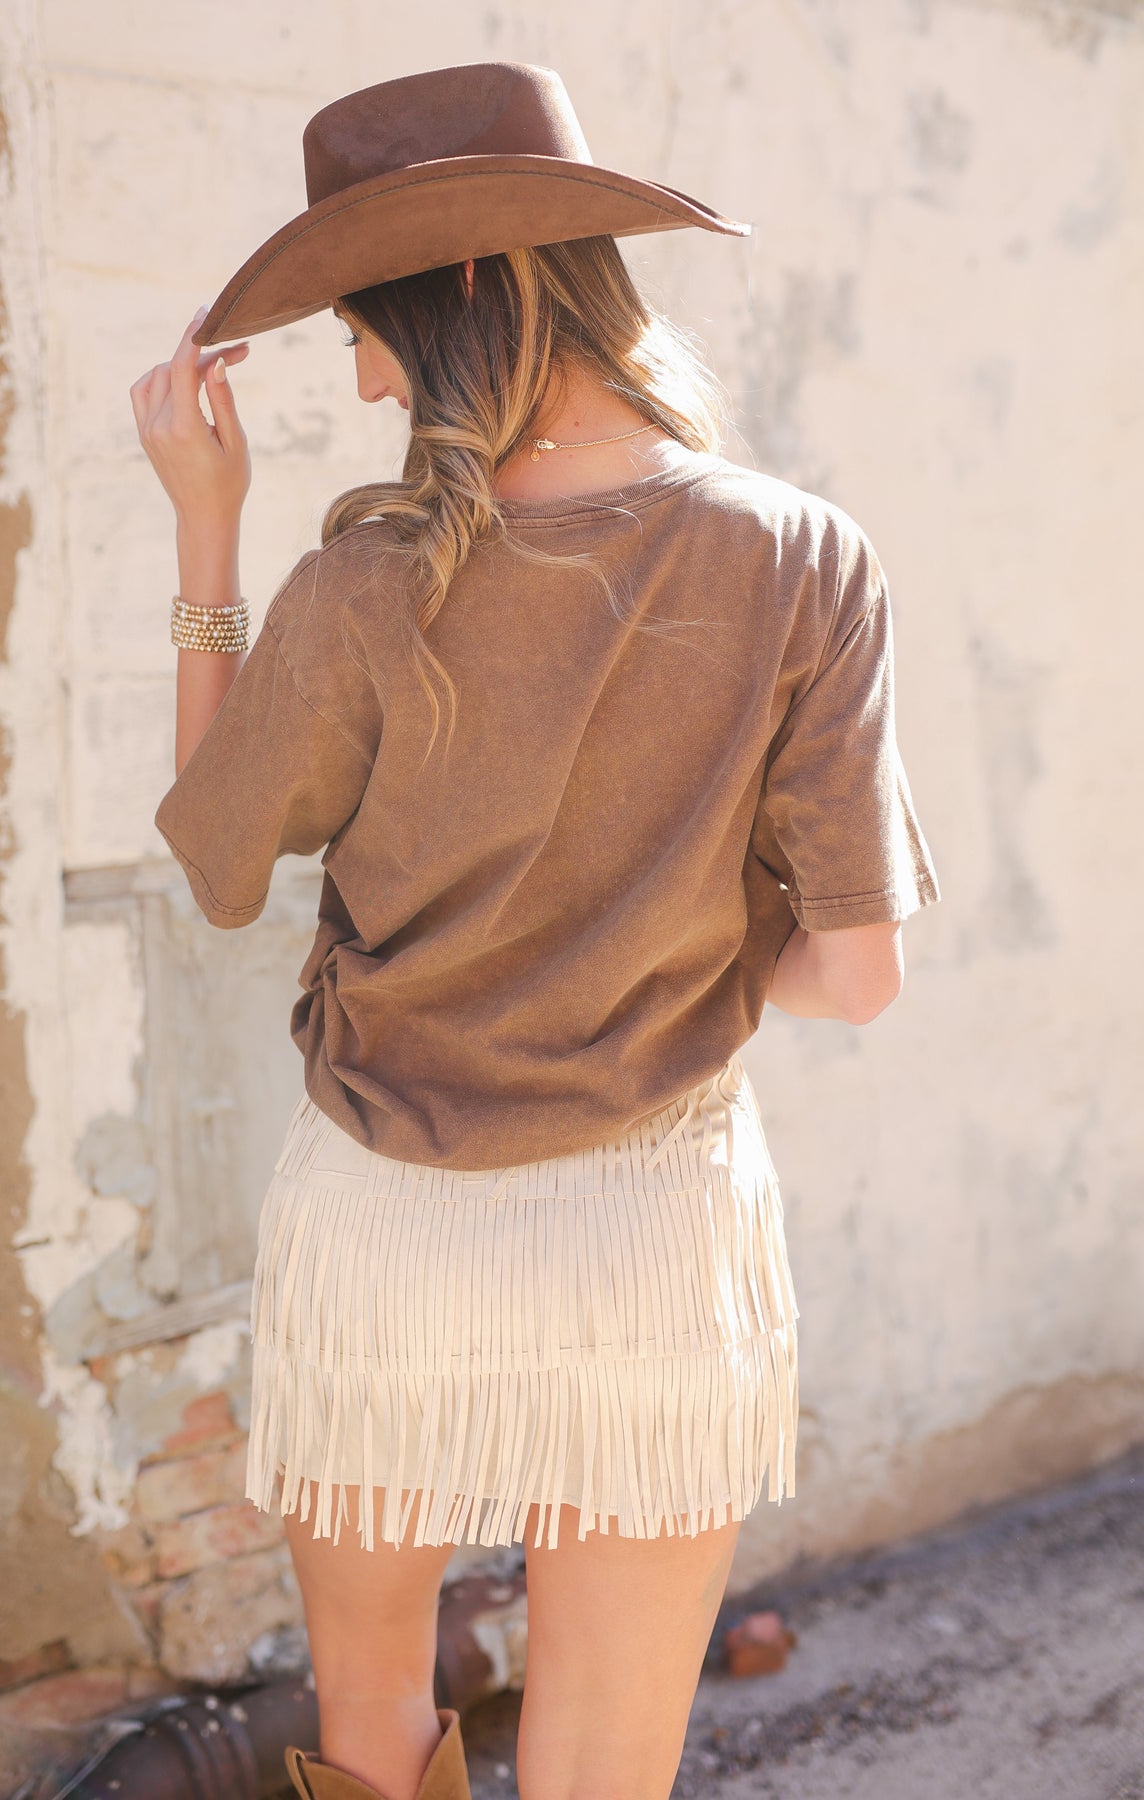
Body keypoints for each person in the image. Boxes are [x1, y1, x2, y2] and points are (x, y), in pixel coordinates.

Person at [130, 60, 940, 1800]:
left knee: (366, 1740)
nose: (359, 373)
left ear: (479, 292)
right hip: (659, 1235)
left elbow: (214, 862)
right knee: (603, 1767)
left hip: (384, 1222)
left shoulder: (366, 579)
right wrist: (655, 968)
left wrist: (205, 524)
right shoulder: (807, 561)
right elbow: (861, 975)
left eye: (372, 325)